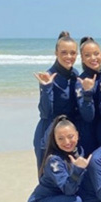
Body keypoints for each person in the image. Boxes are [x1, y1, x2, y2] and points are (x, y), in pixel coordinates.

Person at [33, 31, 85, 170]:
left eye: (72, 53)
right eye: (64, 52)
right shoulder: (48, 77)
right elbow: (45, 112)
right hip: (48, 134)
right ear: (56, 53)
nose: (69, 57)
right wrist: (46, 87)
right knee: (48, 177)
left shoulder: (75, 74)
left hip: (68, 133)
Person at [77, 36, 101, 154]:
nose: (93, 58)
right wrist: (87, 92)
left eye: (96, 53)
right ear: (82, 58)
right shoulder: (80, 82)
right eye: (87, 55)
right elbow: (87, 116)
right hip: (88, 135)